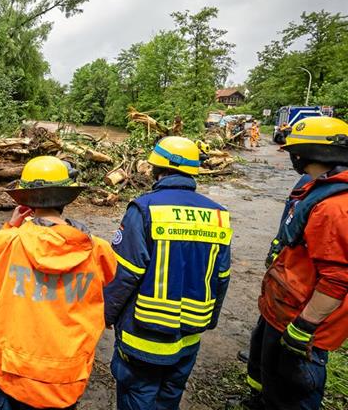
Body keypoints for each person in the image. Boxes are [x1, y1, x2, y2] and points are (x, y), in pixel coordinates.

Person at [0, 155, 117, 410]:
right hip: (65, 379)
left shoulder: (8, 242)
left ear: (26, 199)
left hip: (13, 373)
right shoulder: (98, 250)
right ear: (66, 197)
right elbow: (109, 274)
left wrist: (11, 225)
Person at [103, 136, 233, 409]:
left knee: (137, 398)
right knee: (168, 399)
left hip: (144, 335)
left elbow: (125, 273)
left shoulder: (145, 209)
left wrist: (106, 314)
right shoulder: (218, 215)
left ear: (156, 169)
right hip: (188, 337)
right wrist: (210, 320)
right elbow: (222, 277)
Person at [244, 116, 348, 410]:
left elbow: (338, 278)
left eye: (294, 152)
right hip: (284, 310)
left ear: (306, 153)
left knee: (294, 392)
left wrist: (304, 327)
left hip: (301, 322)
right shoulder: (319, 189)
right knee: (272, 378)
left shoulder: (335, 208)